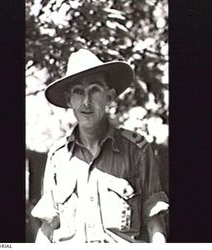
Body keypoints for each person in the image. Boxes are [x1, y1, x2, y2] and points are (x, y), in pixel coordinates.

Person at [31, 49, 169, 243]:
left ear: (109, 96)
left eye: (95, 90)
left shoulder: (136, 150)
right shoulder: (58, 156)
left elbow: (155, 221)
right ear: (69, 100)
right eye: (78, 92)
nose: (86, 102)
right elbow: (47, 226)